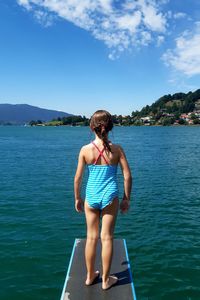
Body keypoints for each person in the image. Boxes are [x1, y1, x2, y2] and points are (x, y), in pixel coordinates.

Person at [74, 110, 132, 290]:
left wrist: (77, 198)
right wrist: (126, 199)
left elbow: (78, 178)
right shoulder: (117, 149)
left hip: (90, 197)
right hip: (110, 197)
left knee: (91, 238)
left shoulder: (85, 150)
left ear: (92, 127)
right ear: (110, 127)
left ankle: (90, 276)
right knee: (106, 238)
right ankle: (106, 280)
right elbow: (127, 176)